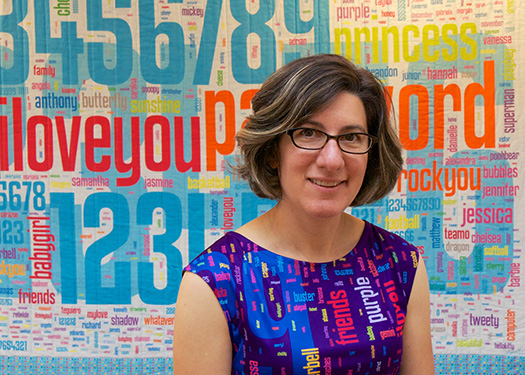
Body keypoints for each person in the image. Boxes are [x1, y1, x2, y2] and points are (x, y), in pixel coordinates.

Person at [173, 54, 434, 375]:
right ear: (272, 151)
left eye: (351, 137)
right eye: (309, 133)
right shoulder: (215, 280)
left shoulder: (402, 264)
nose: (332, 160)